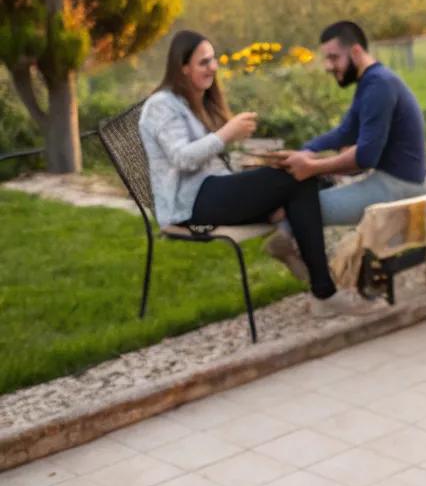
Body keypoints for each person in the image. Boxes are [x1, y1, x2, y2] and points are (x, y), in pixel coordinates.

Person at [139, 30, 350, 318]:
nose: (213, 67)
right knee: (297, 178)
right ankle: (320, 284)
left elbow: (212, 162)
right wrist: (227, 133)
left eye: (213, 60)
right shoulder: (161, 105)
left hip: (213, 191)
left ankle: (313, 275)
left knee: (297, 174)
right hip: (188, 204)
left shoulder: (194, 102)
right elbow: (182, 158)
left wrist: (253, 163)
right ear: (182, 67)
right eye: (203, 62)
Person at [265, 20, 426, 276]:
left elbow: (365, 156)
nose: (328, 66)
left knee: (300, 207)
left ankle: (318, 277)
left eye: (333, 58)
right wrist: (306, 151)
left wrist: (312, 167)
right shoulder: (371, 83)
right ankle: (297, 246)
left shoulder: (379, 85)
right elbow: (345, 132)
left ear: (355, 52)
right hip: (389, 181)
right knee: (299, 203)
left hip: (399, 188)